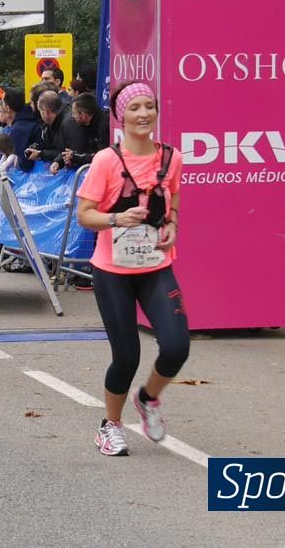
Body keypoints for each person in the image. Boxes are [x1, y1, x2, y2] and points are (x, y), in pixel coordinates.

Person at [76, 82, 188, 457]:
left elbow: (174, 204)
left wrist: (171, 224)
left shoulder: (171, 158)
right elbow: (85, 215)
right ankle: (110, 425)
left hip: (156, 266)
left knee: (176, 347)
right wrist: (116, 218)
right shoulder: (107, 161)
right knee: (127, 355)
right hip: (112, 271)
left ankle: (148, 398)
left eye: (150, 106)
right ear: (121, 116)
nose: (144, 114)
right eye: (135, 107)